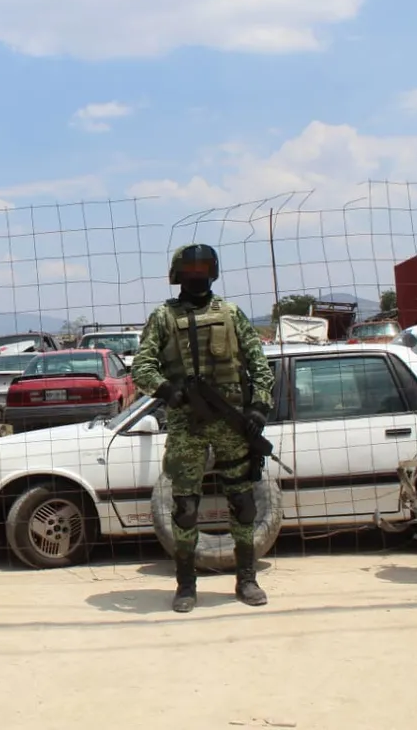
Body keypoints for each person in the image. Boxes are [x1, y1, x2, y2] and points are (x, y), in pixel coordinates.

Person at [131, 244, 275, 613]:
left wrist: (258, 406)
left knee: (243, 504)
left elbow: (259, 366)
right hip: (186, 424)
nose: (198, 273)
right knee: (185, 507)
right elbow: (141, 368)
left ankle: (246, 578)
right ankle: (186, 584)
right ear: (179, 273)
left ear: (213, 271)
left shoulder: (231, 314)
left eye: (204, 266)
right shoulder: (163, 317)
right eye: (191, 267)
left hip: (231, 421)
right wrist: (167, 390)